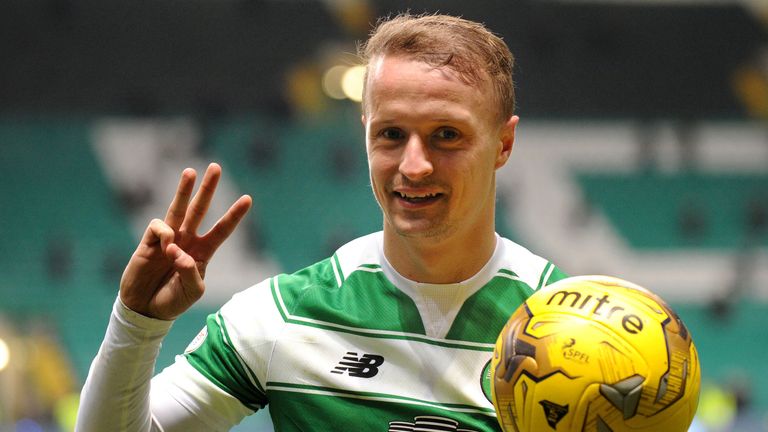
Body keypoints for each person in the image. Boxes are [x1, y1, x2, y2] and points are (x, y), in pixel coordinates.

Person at [76, 13, 568, 432]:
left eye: (446, 135)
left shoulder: (572, 332)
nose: (414, 165)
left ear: (504, 144)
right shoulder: (284, 318)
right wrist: (137, 323)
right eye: (391, 134)